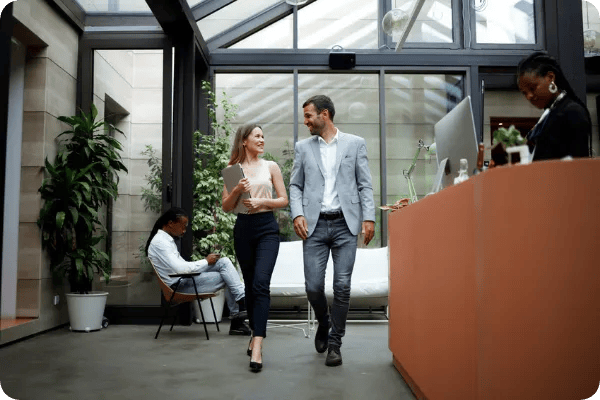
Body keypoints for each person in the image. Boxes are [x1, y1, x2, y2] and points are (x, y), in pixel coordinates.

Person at [289, 95, 376, 367]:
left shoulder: (354, 143)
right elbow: (295, 186)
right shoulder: (303, 148)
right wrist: (298, 213)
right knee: (313, 287)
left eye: (309, 116)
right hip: (313, 226)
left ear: (324, 114)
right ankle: (323, 321)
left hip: (344, 224)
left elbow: (364, 184)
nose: (305, 122)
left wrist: (369, 217)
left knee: (342, 286)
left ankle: (335, 344)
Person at [222, 124, 289, 372]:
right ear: (244, 141)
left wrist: (262, 200)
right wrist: (237, 190)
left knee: (261, 283)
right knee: (250, 285)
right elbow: (226, 207)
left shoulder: (270, 166)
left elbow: (283, 199)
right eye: (257, 136)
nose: (262, 140)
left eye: (263, 136)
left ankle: (258, 345)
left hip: (267, 228)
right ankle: (254, 334)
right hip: (243, 229)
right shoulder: (232, 171)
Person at [145, 207, 251, 336]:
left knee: (224, 262)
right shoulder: (161, 243)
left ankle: (241, 302)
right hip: (179, 286)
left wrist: (206, 261)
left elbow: (182, 266)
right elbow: (181, 269)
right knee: (226, 276)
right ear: (170, 223)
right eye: (182, 226)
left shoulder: (165, 240)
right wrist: (206, 261)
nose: (184, 231)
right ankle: (239, 314)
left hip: (182, 280)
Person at [517, 51, 591, 161]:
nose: (529, 96)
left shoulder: (572, 112)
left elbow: (577, 167)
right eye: (524, 93)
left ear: (550, 77)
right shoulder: (550, 113)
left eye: (533, 88)